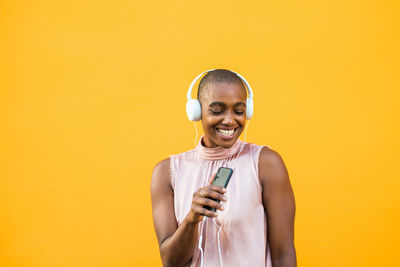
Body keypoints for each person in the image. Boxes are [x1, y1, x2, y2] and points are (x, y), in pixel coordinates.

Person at [151, 69, 296, 267]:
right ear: (196, 111)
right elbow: (170, 261)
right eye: (217, 111)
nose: (229, 120)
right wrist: (192, 219)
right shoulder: (167, 173)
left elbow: (284, 255)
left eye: (238, 111)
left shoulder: (266, 163)